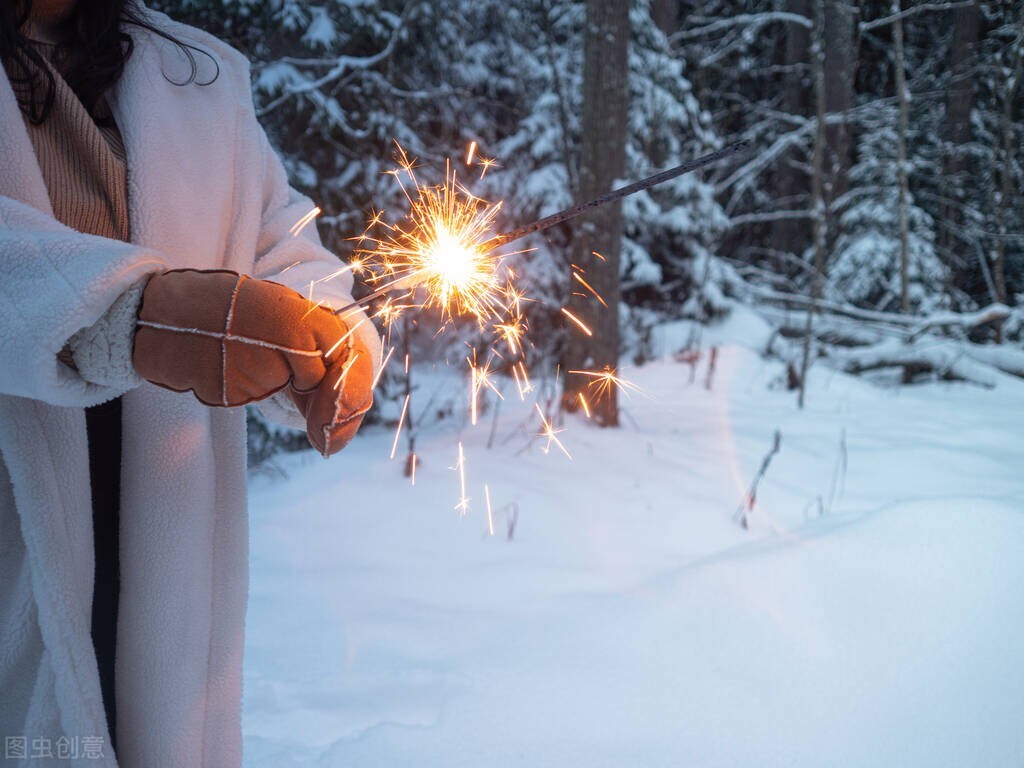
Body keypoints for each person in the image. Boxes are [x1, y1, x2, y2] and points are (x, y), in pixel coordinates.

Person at [0, 1, 380, 765]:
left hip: (158, 525)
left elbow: (280, 236)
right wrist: (132, 316)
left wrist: (329, 327)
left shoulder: (194, 72)